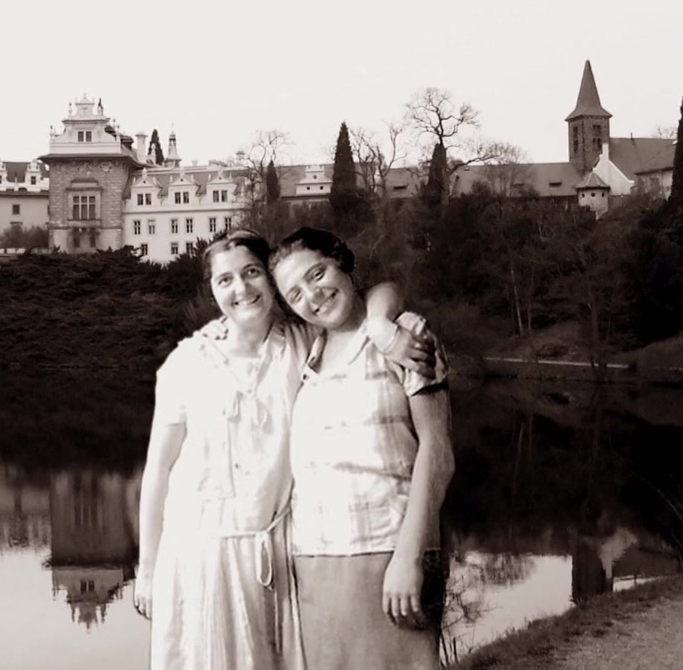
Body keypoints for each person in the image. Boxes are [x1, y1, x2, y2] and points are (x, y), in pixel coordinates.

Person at [133, 230, 435, 670]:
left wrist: (380, 326)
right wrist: (147, 567)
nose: (241, 289)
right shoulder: (187, 363)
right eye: (225, 280)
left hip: (278, 552)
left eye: (252, 272)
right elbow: (157, 471)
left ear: (271, 283)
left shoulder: (304, 342)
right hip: (197, 555)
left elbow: (375, 291)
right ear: (212, 290)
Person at [270, 227, 454, 670]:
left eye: (317, 274)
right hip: (315, 563)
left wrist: (409, 557)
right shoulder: (306, 356)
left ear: (342, 262)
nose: (312, 296)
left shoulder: (403, 336)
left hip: (392, 553)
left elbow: (438, 453)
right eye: (295, 294)